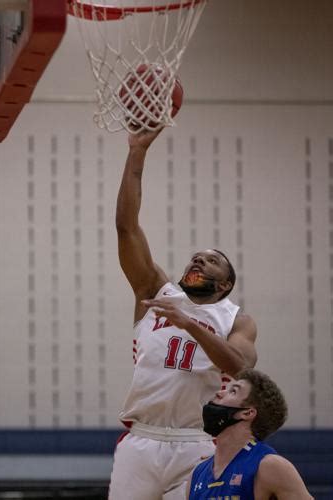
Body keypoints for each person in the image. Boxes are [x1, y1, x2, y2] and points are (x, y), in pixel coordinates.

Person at [109, 127, 258, 500]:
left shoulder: (236, 319)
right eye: (196, 256)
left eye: (211, 261)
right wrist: (137, 152)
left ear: (224, 285)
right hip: (141, 439)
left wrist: (189, 323)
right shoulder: (155, 291)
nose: (198, 260)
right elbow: (126, 228)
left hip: (199, 443)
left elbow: (239, 366)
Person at [187, 368, 314, 500]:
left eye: (233, 391)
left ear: (247, 413)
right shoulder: (197, 474)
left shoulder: (270, 466)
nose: (219, 393)